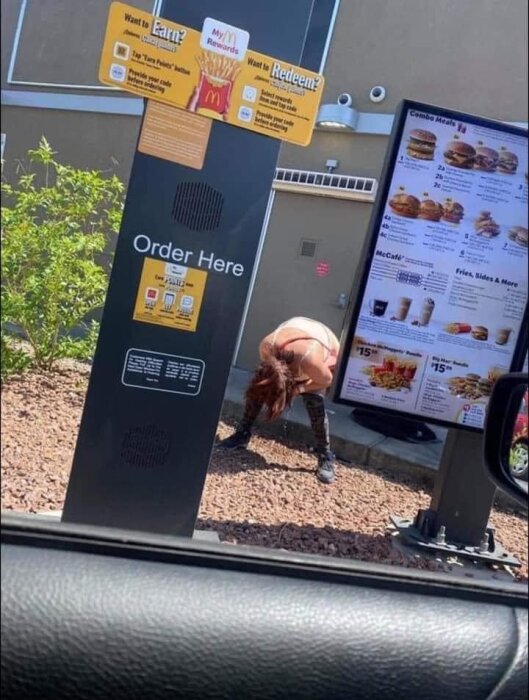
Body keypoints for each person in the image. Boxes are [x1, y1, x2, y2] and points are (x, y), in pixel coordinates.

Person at [218, 317, 340, 484]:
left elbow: (327, 380)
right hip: (294, 332)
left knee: (315, 404)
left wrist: (299, 389)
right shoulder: (267, 346)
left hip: (322, 343)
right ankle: (242, 434)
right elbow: (267, 379)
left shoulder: (310, 360)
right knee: (258, 392)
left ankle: (325, 454)